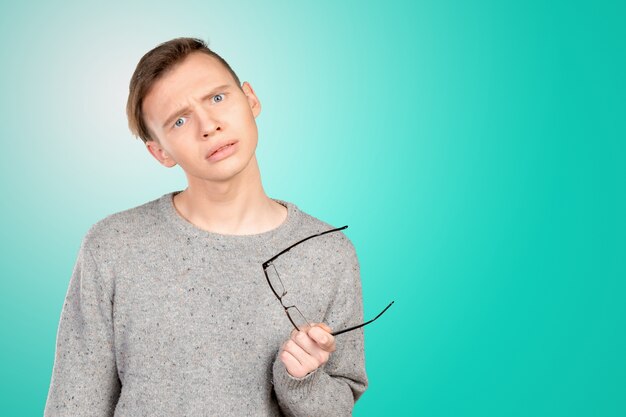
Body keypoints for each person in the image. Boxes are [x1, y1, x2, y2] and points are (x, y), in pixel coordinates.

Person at [44, 37, 368, 416]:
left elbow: (340, 404)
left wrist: (302, 381)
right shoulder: (112, 245)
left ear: (250, 100)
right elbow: (74, 405)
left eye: (217, 98)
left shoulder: (327, 253)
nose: (208, 126)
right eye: (179, 120)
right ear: (160, 151)